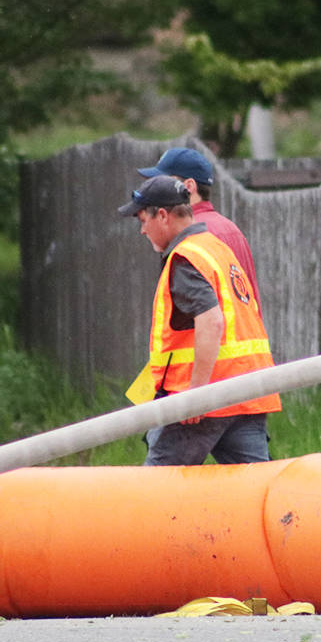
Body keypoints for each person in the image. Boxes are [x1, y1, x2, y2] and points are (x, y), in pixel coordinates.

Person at [118, 175, 282, 466]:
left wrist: (198, 394)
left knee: (154, 495)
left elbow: (212, 320)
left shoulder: (185, 258)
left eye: (143, 220)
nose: (142, 231)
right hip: (247, 394)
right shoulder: (217, 249)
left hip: (205, 405)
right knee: (255, 493)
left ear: (163, 216)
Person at [137, 147, 260, 301]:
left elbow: (205, 314)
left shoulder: (190, 236)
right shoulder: (231, 229)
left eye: (164, 182)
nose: (157, 187)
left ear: (189, 187)